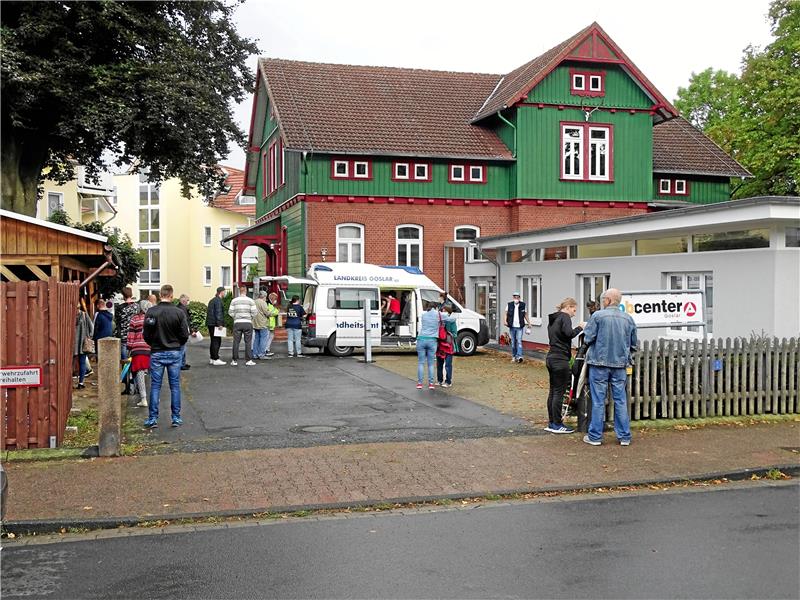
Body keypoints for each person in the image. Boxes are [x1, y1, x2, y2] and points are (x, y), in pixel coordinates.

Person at [581, 288, 637, 447]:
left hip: (599, 364)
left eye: (603, 300)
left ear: (607, 300)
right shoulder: (628, 318)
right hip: (620, 365)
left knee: (598, 401)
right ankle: (624, 437)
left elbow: (588, 338)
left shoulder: (597, 316)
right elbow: (633, 344)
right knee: (620, 400)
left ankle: (595, 437)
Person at [142, 284, 189, 428]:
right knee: (174, 386)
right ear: (171, 295)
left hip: (157, 351)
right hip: (175, 351)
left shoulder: (151, 312)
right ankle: (176, 417)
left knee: (155, 386)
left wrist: (153, 344)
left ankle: (153, 418)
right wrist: (178, 345)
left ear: (160, 294)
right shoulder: (178, 313)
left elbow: (146, 334)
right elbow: (184, 335)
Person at [545, 297, 586, 434]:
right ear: (568, 306)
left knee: (553, 391)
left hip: (551, 357)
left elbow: (559, 336)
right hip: (560, 359)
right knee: (559, 392)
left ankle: (551, 422)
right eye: (574, 310)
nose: (574, 313)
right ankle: (557, 424)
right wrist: (580, 327)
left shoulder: (553, 319)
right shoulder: (564, 317)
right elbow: (569, 334)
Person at [417, 301, 456, 389]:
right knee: (431, 364)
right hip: (432, 340)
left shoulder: (423, 315)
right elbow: (452, 319)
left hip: (421, 339)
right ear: (436, 307)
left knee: (421, 363)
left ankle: (419, 383)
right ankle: (431, 384)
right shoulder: (438, 314)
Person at [126, 300, 152, 408]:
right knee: (153, 374)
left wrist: (129, 348)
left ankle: (143, 398)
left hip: (138, 349)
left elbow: (131, 335)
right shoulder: (151, 319)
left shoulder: (135, 319)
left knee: (140, 374)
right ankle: (154, 397)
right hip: (150, 348)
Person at [229, 286, 257, 366]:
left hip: (237, 323)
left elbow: (230, 312)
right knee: (248, 342)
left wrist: (236, 317)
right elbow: (254, 312)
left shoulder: (234, 300)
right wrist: (249, 318)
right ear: (246, 291)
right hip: (247, 322)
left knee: (236, 342)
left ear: (239, 291)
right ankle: (248, 360)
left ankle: (234, 360)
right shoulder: (251, 301)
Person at [435, 304, 459, 387]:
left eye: (444, 311)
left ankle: (448, 381)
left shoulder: (451, 321)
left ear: (449, 313)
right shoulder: (439, 321)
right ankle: (439, 380)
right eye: (442, 311)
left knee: (448, 364)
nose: (442, 312)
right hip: (440, 344)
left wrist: (447, 334)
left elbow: (455, 334)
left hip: (448, 345)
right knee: (439, 363)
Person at [505, 292, 531, 363]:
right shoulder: (509, 305)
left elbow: (525, 315)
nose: (516, 298)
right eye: (515, 297)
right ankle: (514, 356)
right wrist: (505, 321)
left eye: (517, 297)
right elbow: (506, 314)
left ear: (519, 298)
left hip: (520, 327)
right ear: (513, 298)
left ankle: (519, 356)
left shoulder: (523, 305)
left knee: (519, 341)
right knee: (513, 342)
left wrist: (529, 323)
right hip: (512, 326)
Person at [74, 304, 93, 390]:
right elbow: (91, 327)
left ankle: (79, 382)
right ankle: (80, 382)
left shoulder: (70, 316)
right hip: (82, 343)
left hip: (74, 344)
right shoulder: (84, 315)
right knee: (82, 363)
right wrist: (89, 336)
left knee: (75, 363)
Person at [206, 286, 226, 366]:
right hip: (215, 324)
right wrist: (220, 324)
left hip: (210, 323)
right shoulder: (218, 301)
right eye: (224, 292)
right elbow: (218, 313)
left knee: (213, 340)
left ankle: (212, 358)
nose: (225, 293)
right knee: (217, 341)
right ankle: (215, 358)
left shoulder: (212, 300)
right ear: (221, 292)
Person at [253, 290, 271, 359]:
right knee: (263, 339)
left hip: (255, 323)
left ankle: (255, 354)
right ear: (264, 296)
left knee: (256, 339)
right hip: (262, 323)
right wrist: (271, 312)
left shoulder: (254, 301)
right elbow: (267, 313)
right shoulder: (263, 303)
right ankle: (261, 354)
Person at [177, 294, 193, 371]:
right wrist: (190, 331)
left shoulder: (179, 308)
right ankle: (181, 364)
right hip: (182, 332)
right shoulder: (182, 309)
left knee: (182, 349)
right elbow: (185, 322)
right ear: (183, 301)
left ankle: (182, 363)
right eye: (187, 300)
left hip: (180, 332)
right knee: (182, 349)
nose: (188, 302)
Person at [263, 292, 280, 357]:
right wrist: (276, 311)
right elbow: (273, 312)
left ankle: (267, 349)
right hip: (268, 324)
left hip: (270, 324)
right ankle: (266, 350)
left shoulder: (270, 304)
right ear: (272, 298)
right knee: (267, 337)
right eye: (275, 299)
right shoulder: (268, 304)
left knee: (270, 337)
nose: (276, 301)